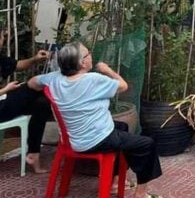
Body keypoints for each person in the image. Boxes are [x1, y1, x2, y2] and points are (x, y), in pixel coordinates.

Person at [28, 41, 162, 198]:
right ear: (82, 62)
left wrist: (48, 84)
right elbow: (123, 86)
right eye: (88, 53)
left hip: (73, 139)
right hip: (97, 139)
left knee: (122, 127)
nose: (91, 55)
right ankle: (141, 193)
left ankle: (114, 182)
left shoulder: (53, 79)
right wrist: (107, 70)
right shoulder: (93, 80)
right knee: (146, 145)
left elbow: (32, 83)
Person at [0, 34, 50, 174]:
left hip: (3, 102)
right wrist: (6, 89)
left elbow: (17, 65)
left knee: (42, 103)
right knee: (33, 86)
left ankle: (34, 153)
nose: (3, 41)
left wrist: (35, 59)